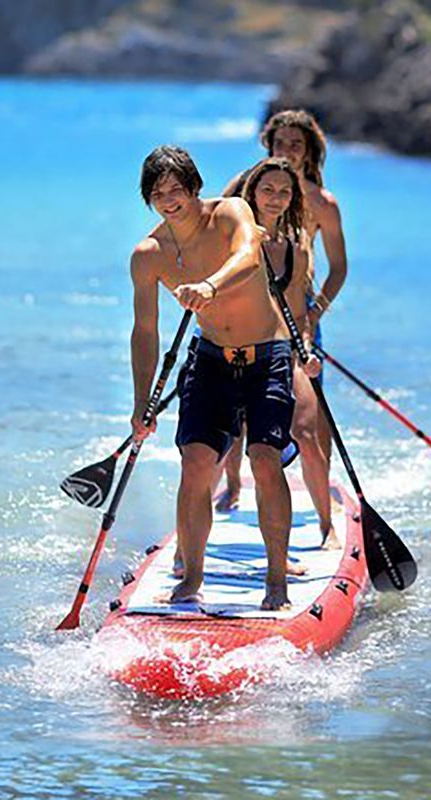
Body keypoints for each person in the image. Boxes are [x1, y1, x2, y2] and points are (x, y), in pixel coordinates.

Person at [130, 145, 316, 611]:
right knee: (194, 464)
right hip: (211, 358)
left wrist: (209, 286)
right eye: (158, 193)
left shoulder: (232, 212)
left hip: (267, 354)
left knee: (264, 460)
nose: (169, 200)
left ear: (194, 188)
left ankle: (276, 582)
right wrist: (142, 402)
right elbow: (145, 331)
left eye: (177, 189)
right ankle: (191, 576)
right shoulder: (149, 254)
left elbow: (249, 257)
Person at [218, 110, 348, 545]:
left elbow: (338, 269)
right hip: (249, 309)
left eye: (297, 145)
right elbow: (216, 235)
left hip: (299, 311)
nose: (288, 151)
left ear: (309, 151)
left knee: (311, 418)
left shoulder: (320, 204)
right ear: (269, 147)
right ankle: (232, 485)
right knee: (236, 412)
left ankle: (325, 510)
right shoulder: (245, 187)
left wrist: (313, 316)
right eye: (281, 144)